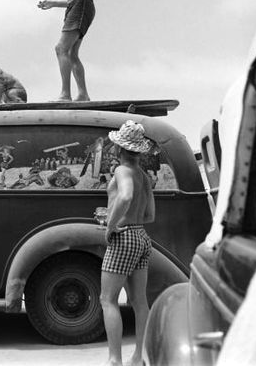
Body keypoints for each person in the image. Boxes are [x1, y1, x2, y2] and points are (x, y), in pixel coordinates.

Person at [99, 120, 156, 366]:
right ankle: (138, 358)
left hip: (124, 237)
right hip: (142, 236)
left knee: (107, 299)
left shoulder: (122, 170)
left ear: (121, 148)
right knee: (139, 301)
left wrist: (111, 225)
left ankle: (114, 361)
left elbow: (125, 195)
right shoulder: (143, 175)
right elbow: (150, 215)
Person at [38, 0, 98, 102]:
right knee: (71, 53)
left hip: (82, 6)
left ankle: (65, 94)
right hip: (78, 6)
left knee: (61, 49)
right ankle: (83, 95)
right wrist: (53, 3)